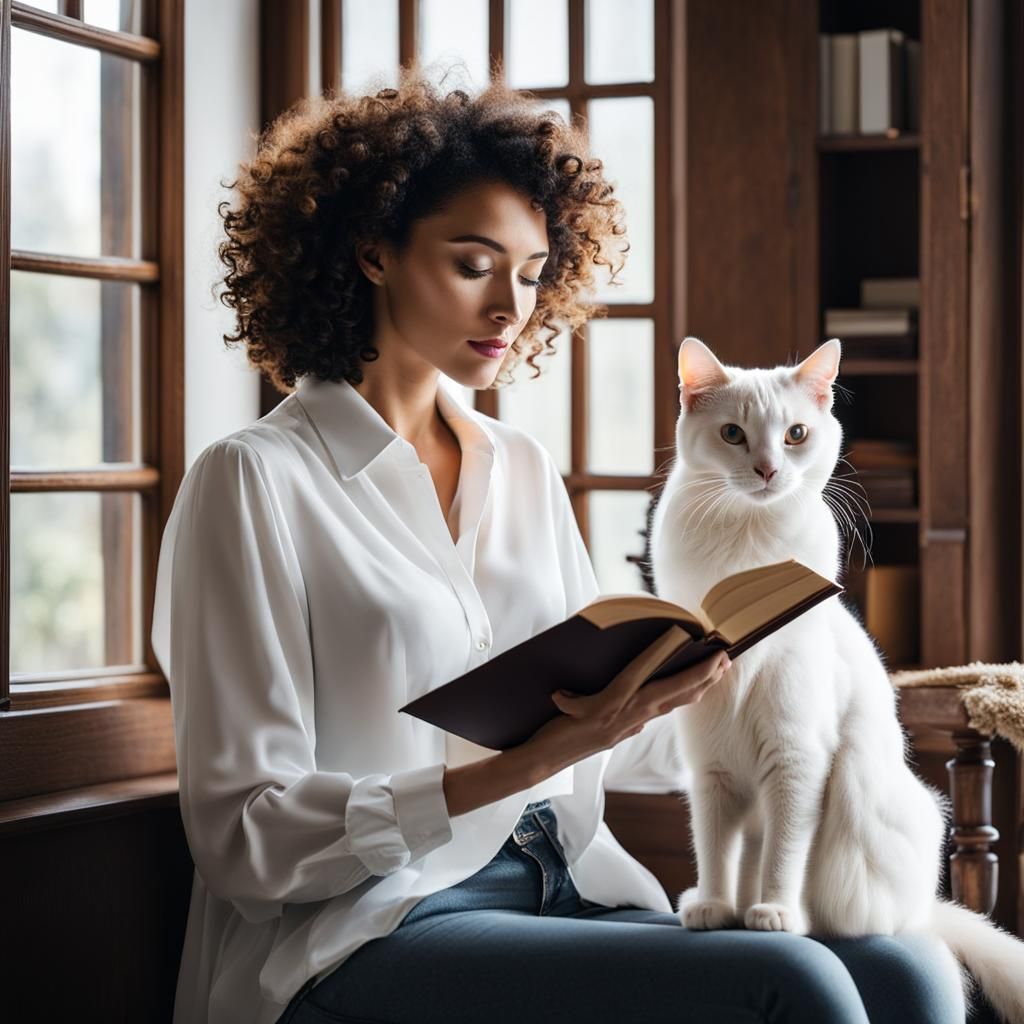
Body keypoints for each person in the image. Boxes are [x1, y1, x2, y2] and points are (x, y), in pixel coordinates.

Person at [151, 68, 975, 1024]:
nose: (512, 306)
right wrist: (515, 768)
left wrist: (784, 704)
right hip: (370, 925)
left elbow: (608, 737)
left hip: (569, 882)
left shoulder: (522, 467)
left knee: (908, 972)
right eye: (473, 265)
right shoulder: (251, 481)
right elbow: (243, 840)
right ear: (374, 251)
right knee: (793, 987)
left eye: (534, 274)